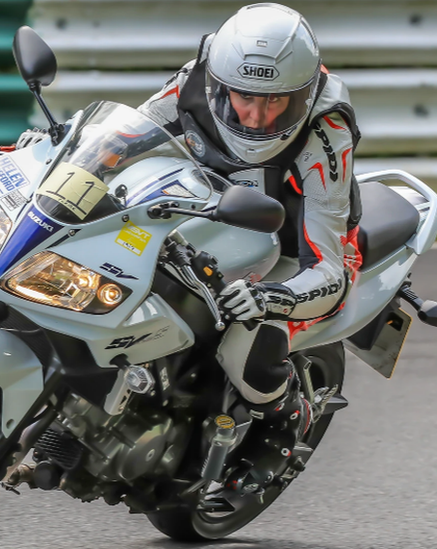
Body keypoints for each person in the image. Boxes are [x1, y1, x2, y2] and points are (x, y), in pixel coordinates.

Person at [137, 3, 363, 491]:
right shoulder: (196, 78)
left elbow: (329, 269)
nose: (258, 116)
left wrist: (272, 298)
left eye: (277, 102)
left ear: (303, 94)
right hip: (218, 215)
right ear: (220, 83)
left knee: (248, 342)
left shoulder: (327, 130)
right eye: (243, 97)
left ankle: (282, 423)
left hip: (298, 250)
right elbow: (132, 135)